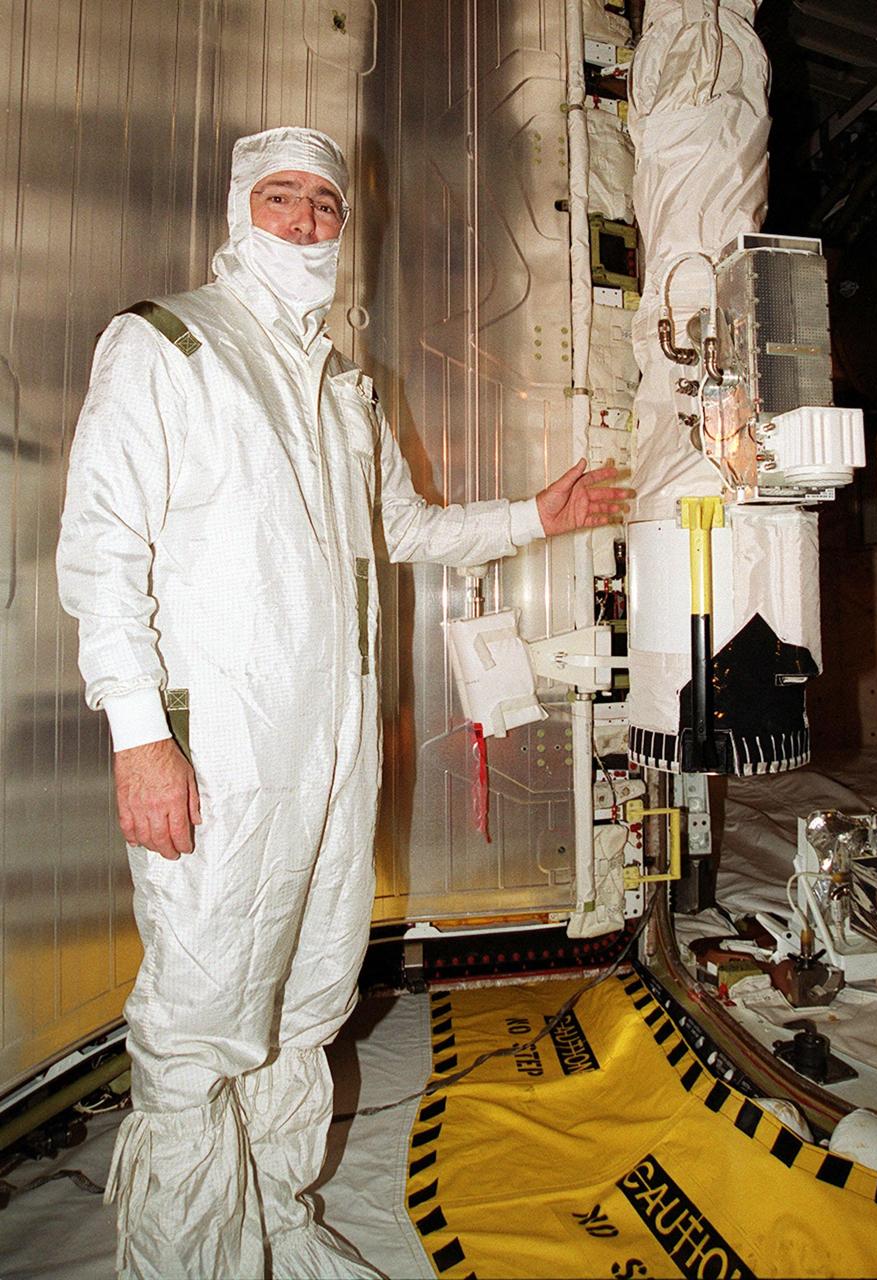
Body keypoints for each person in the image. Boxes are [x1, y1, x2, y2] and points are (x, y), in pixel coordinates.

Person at [57, 126, 631, 1280]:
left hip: (329, 755)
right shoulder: (167, 344)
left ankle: (274, 1222)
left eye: (324, 205)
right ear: (236, 211)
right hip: (222, 750)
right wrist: (138, 734)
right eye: (282, 199)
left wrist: (535, 516)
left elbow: (404, 529)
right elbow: (102, 548)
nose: (307, 222)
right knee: (202, 1016)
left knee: (307, 995)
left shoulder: (340, 387)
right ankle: (188, 1261)